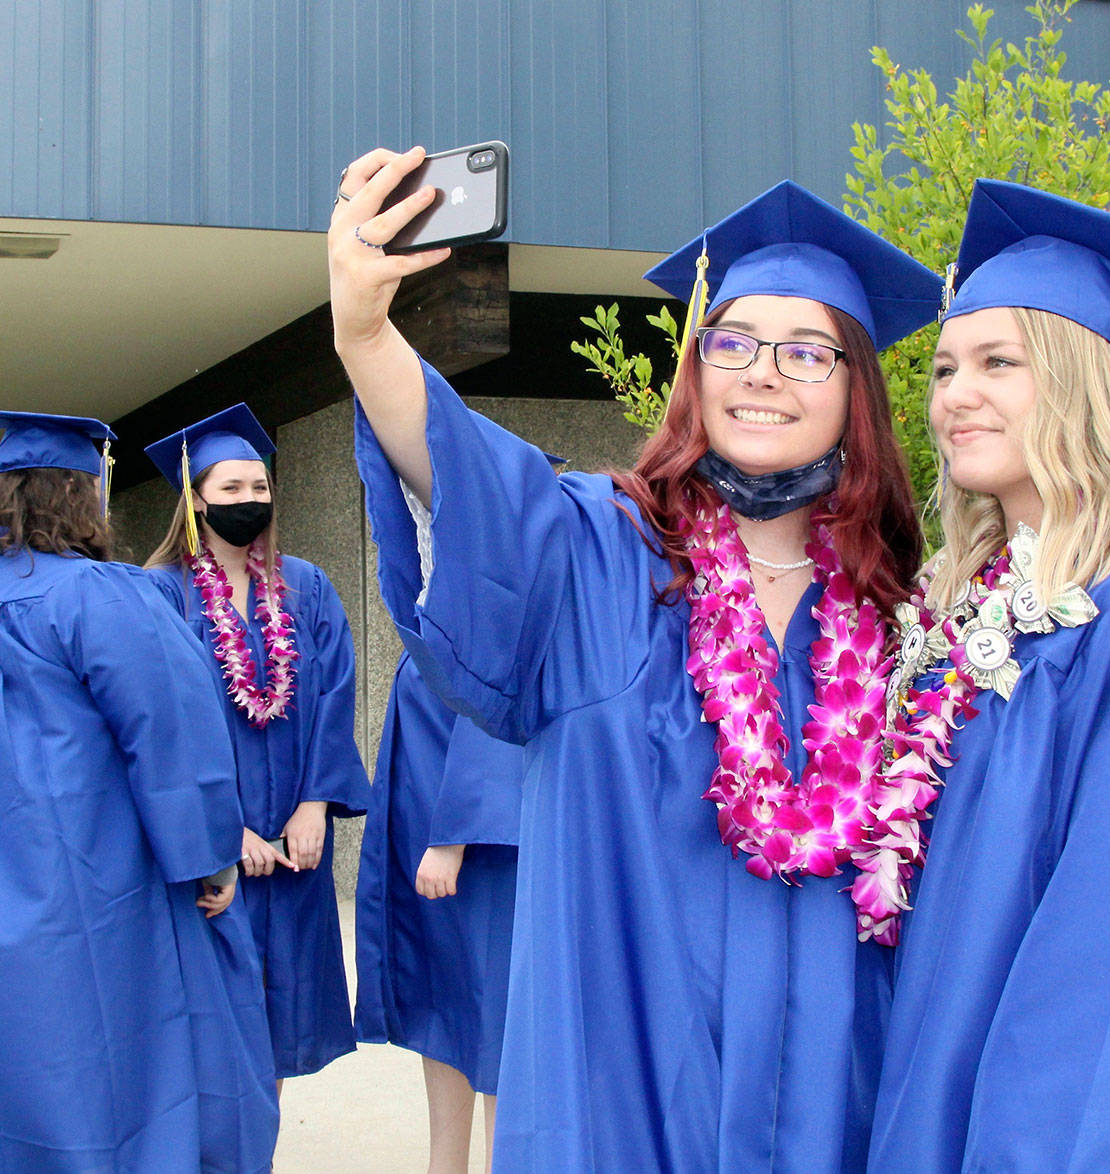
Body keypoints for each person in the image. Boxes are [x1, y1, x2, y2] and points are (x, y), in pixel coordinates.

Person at [334, 150, 943, 1171]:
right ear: (694, 368)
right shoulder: (603, 554)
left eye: (806, 353)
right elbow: (475, 480)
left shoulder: (898, 625)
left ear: (857, 393)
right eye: (734, 340)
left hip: (835, 1106)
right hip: (620, 1103)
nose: (760, 369)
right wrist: (362, 332)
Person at [866, 179, 1110, 1172]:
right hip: (918, 1078)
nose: (953, 395)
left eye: (997, 362)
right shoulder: (957, 609)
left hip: (1025, 1123)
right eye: (944, 368)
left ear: (1081, 383)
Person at [0, 411, 278, 1173]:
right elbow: (173, 738)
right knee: (135, 1076)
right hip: (105, 893)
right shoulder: (97, 596)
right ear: (78, 495)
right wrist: (213, 859)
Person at [143, 404, 370, 1092]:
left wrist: (314, 805)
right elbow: (160, 725)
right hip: (211, 857)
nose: (249, 500)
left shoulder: (305, 586)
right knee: (213, 1032)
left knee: (279, 1034)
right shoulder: (161, 595)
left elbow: (335, 698)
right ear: (196, 501)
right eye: (230, 489)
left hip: (295, 849)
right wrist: (222, 829)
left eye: (259, 487)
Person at [356, 651, 522, 1174]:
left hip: (488, 823)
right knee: (446, 1006)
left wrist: (456, 829)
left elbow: (499, 657)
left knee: (498, 1011)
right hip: (431, 773)